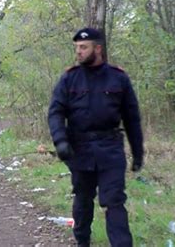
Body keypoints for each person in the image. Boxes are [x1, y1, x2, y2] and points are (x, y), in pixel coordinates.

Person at [48, 28, 144, 247]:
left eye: (84, 47)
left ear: (98, 48)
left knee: (114, 202)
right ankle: (82, 241)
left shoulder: (118, 78)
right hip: (79, 149)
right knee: (83, 200)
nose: (79, 52)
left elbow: (132, 118)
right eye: (77, 48)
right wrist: (60, 140)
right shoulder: (69, 79)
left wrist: (138, 153)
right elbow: (55, 112)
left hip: (110, 149)